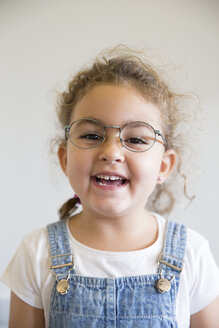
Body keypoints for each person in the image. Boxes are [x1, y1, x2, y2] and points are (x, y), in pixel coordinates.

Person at [1, 46, 219, 328]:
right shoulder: (36, 253)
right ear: (65, 158)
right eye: (92, 135)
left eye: (136, 139)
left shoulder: (193, 253)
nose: (111, 152)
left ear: (164, 166)